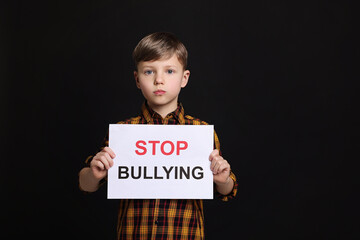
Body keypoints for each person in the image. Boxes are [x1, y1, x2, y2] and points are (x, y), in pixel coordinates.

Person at [79, 32, 238, 239]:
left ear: (184, 78)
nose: (159, 80)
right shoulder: (124, 131)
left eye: (170, 71)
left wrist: (222, 179)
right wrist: (94, 173)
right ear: (137, 79)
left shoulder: (200, 131)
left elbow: (227, 189)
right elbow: (86, 184)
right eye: (149, 72)